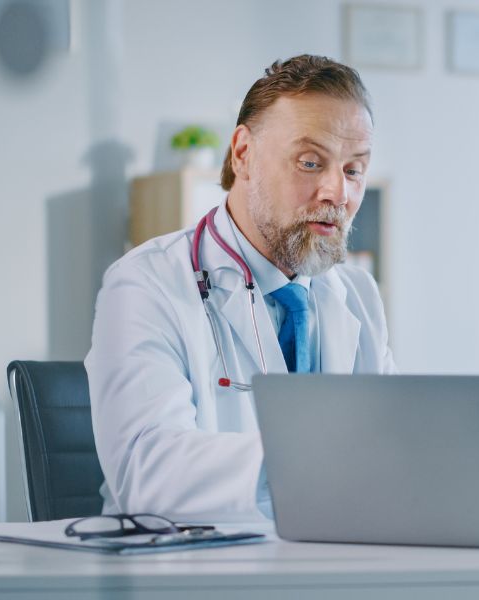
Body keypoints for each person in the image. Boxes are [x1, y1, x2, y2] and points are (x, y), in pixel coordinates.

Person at [86, 55, 396, 523]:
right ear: (242, 153)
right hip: (195, 572)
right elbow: (145, 471)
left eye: (354, 170)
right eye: (310, 162)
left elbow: (394, 451)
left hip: (331, 565)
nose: (338, 192)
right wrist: (316, 460)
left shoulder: (357, 294)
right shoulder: (145, 284)